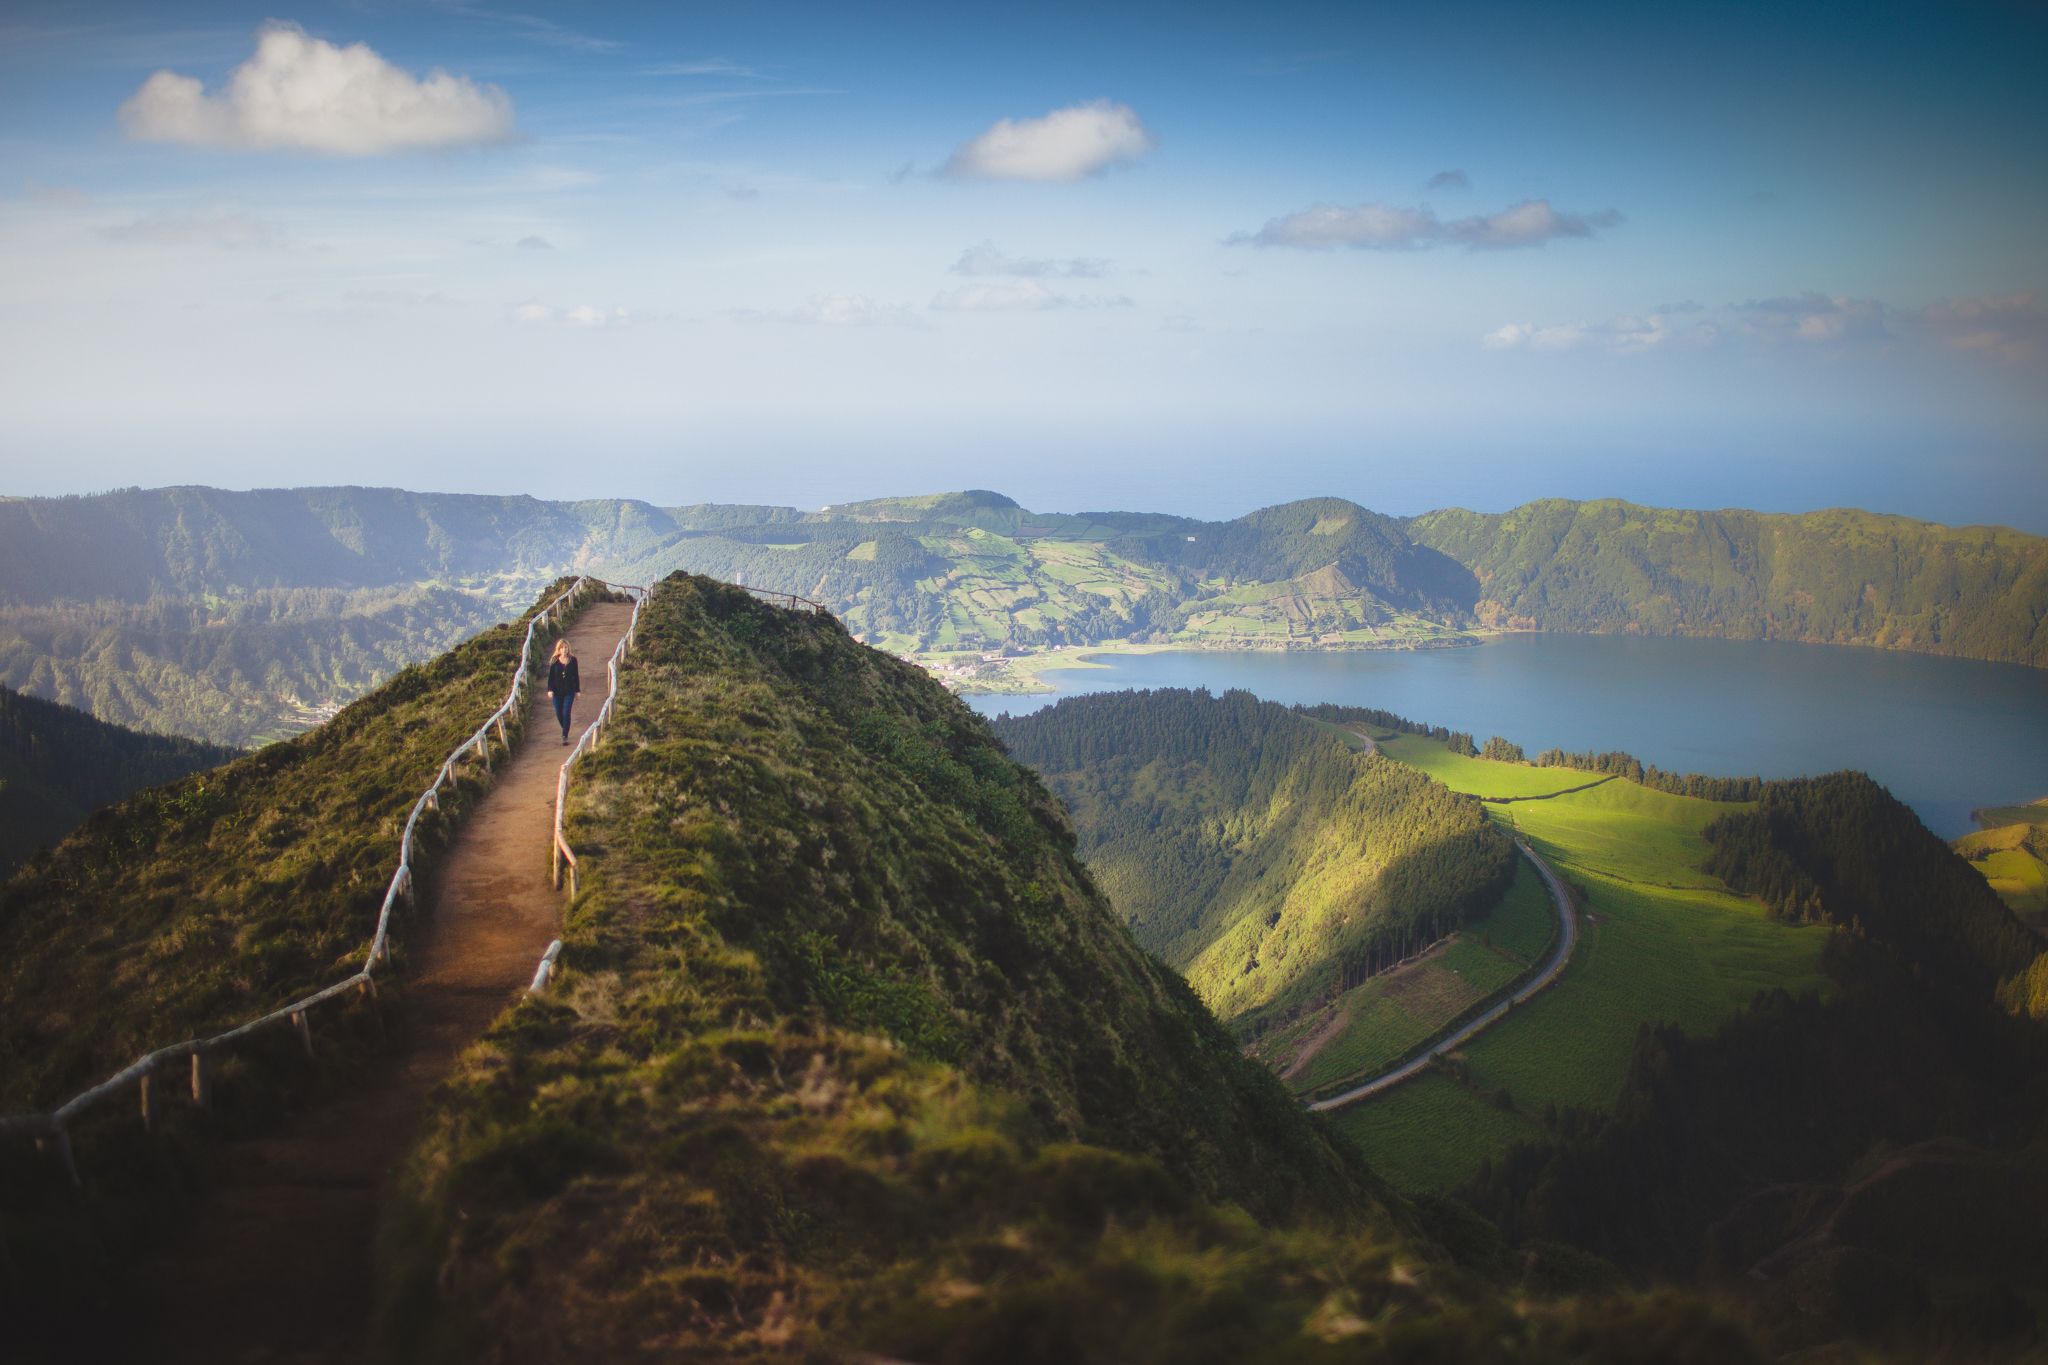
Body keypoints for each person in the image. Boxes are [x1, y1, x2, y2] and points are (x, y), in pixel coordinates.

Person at [546, 638, 580, 744]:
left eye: (566, 647)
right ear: (559, 649)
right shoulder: (554, 661)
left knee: (566, 713)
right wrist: (550, 690)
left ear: (568, 648)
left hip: (569, 691)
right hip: (557, 692)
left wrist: (577, 690)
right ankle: (565, 728)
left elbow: (576, 676)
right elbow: (550, 677)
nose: (564, 650)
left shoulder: (573, 660)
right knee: (559, 714)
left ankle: (564, 735)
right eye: (562, 648)